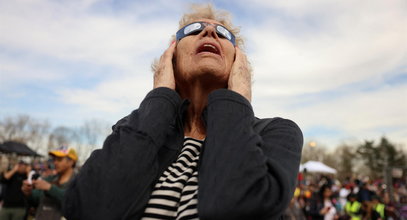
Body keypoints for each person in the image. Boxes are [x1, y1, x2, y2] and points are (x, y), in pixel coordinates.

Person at [63, 4, 303, 220]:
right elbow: (89, 209)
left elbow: (237, 207)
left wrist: (238, 97)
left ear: (238, 60)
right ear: (171, 57)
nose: (209, 33)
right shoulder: (136, 127)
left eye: (223, 34)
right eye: (193, 29)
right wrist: (161, 95)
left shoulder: (275, 132)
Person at [21, 147, 77, 220]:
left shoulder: (78, 183)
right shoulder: (50, 179)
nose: (55, 162)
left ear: (71, 162)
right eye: (54, 159)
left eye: (59, 159)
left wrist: (50, 188)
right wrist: (28, 192)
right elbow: (36, 199)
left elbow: (74, 202)